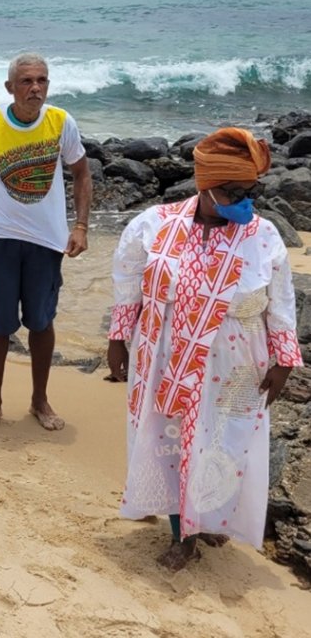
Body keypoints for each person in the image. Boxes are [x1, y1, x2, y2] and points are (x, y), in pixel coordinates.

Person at [107, 128, 302, 570]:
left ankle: (211, 518)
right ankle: (184, 535)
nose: (244, 200)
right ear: (206, 186)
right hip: (165, 356)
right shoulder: (154, 225)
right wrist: (119, 338)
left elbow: (282, 301)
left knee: (225, 444)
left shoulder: (264, 235)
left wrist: (284, 360)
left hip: (236, 362)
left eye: (249, 191)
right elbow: (127, 281)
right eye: (232, 191)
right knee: (172, 443)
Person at [0, 52, 92, 432]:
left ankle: (39, 399)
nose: (35, 88)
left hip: (46, 242)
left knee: (41, 321)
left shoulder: (60, 122)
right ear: (10, 87)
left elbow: (82, 174)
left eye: (42, 81)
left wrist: (81, 225)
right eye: (27, 81)